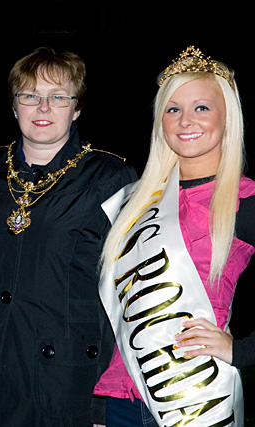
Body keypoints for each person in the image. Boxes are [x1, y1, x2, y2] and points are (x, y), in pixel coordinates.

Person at [0, 46, 137, 426]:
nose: (42, 108)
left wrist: (106, 401)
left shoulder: (111, 177)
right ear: (14, 106)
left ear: (76, 109)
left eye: (58, 97)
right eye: (30, 96)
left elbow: (127, 294)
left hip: (66, 378)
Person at [95, 46, 255, 426]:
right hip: (120, 399)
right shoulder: (133, 201)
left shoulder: (242, 202)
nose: (186, 121)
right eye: (173, 109)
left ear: (227, 118)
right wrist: (100, 405)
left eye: (201, 107)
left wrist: (242, 351)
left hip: (197, 397)